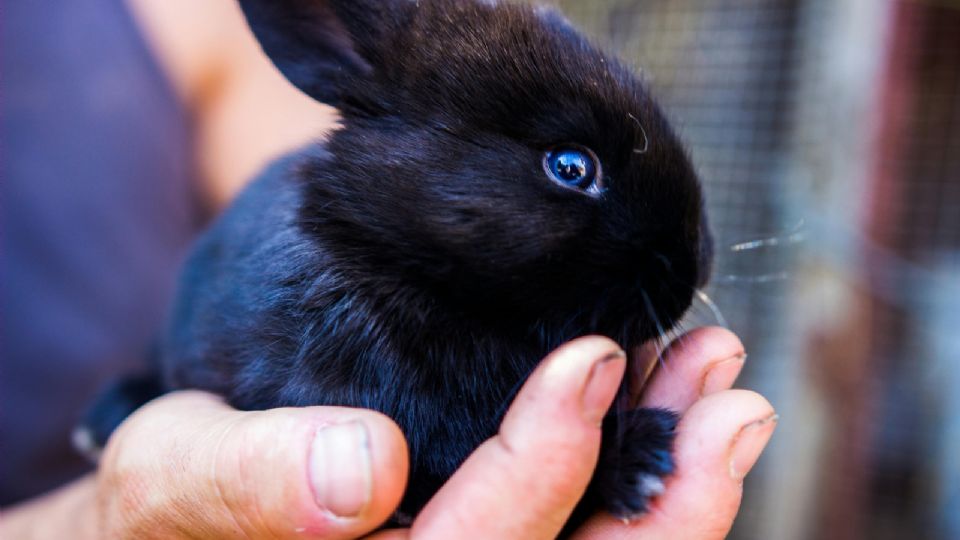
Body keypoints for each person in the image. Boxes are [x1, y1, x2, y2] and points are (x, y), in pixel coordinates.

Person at [0, 1, 776, 538]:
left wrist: (605, 456)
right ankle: (140, 391)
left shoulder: (177, 32)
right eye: (573, 168)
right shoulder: (325, 305)